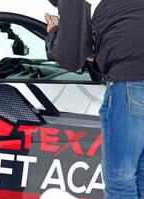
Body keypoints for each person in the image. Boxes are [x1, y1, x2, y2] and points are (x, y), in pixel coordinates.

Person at [45, 0, 144, 198]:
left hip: (131, 81)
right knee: (141, 174)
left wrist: (55, 31)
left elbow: (70, 57)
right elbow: (121, 41)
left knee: (120, 178)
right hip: (134, 73)